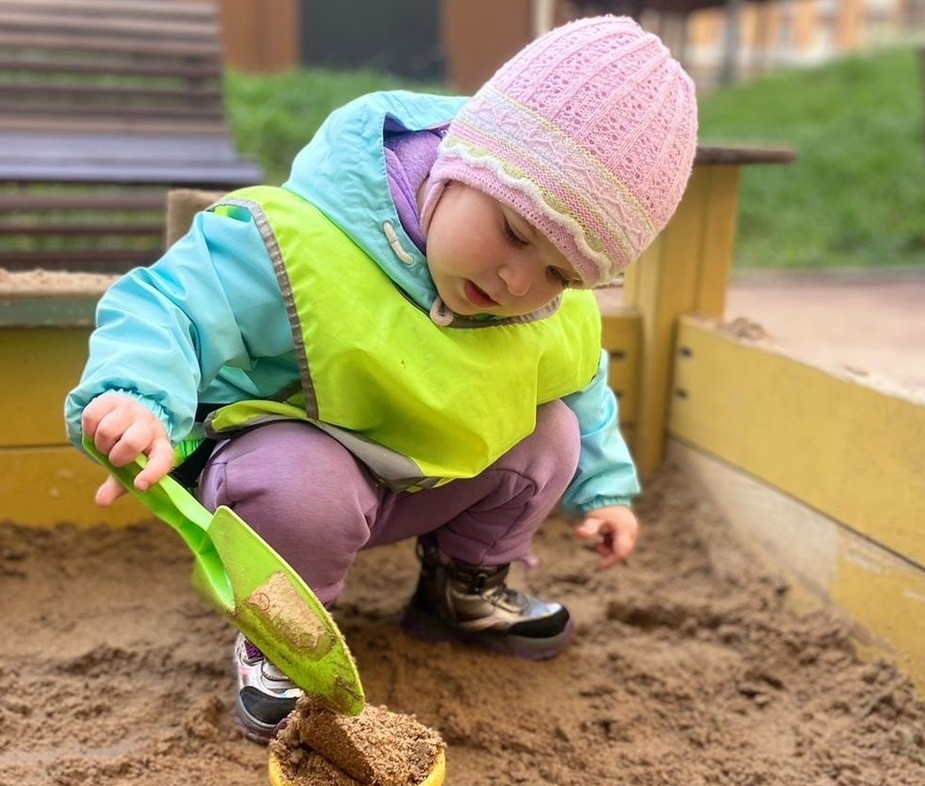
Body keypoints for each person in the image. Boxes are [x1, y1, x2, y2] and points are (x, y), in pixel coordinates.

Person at [65, 15, 698, 743]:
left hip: (422, 479)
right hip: (300, 466)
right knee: (299, 486)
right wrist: (139, 398)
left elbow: (583, 389)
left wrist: (606, 488)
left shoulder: (544, 302)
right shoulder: (299, 241)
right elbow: (169, 303)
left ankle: (461, 588)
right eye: (514, 232)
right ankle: (283, 634)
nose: (516, 277)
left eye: (559, 274)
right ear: (458, 165)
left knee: (548, 429)